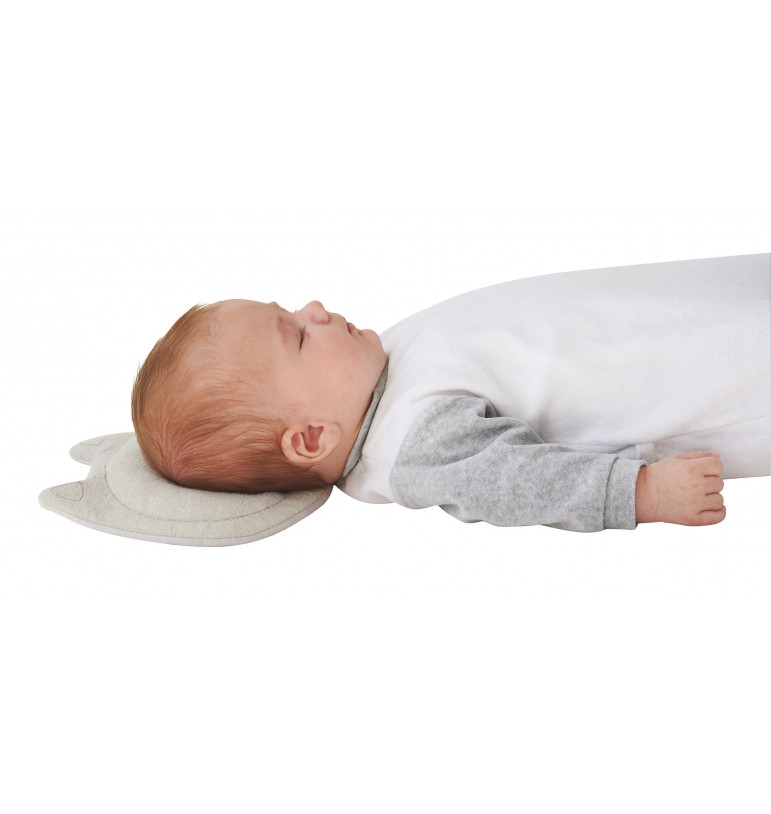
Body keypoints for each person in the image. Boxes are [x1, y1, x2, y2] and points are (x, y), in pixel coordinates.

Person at [131, 253, 771, 532]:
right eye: (297, 335)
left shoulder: (375, 377)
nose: (315, 309)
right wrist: (639, 492)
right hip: (709, 381)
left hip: (652, 320)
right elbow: (518, 484)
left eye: (293, 310)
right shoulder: (412, 446)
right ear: (311, 437)